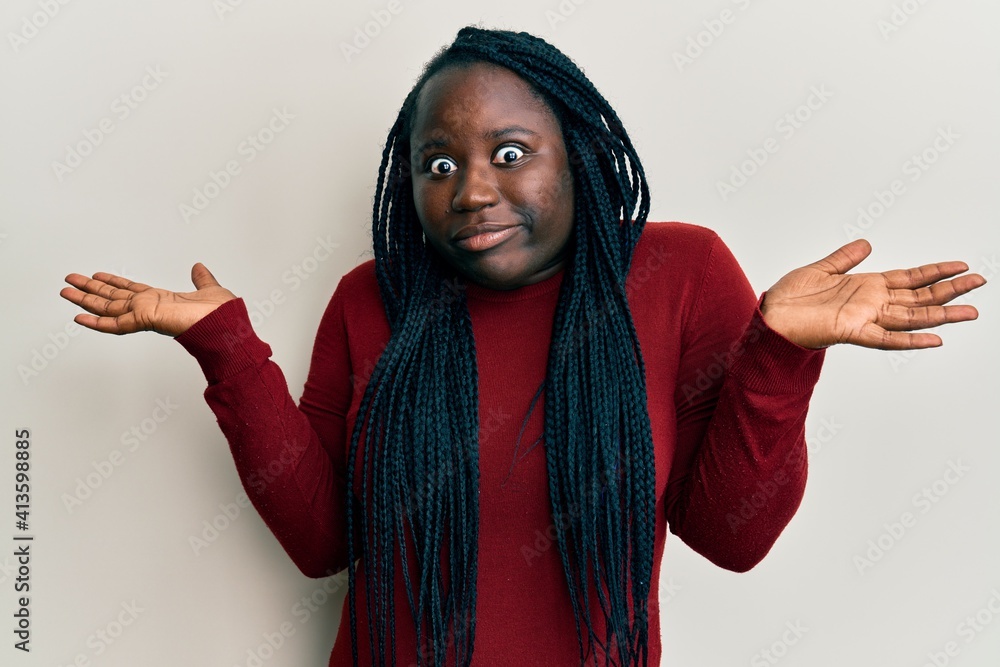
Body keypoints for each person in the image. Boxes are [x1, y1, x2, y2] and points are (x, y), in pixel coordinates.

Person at [59, 27, 984, 667]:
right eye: (439, 164)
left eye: (509, 153)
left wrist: (778, 353)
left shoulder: (682, 274)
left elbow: (731, 538)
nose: (469, 190)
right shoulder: (370, 299)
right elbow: (322, 542)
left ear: (574, 154)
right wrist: (225, 347)